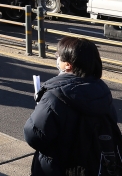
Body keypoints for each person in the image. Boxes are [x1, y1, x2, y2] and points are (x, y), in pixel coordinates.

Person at [25, 36, 120, 175]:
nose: (57, 59)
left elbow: (33, 135)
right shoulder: (102, 91)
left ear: (68, 64)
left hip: (59, 167)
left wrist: (40, 106)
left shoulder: (54, 96)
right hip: (94, 165)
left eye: (59, 56)